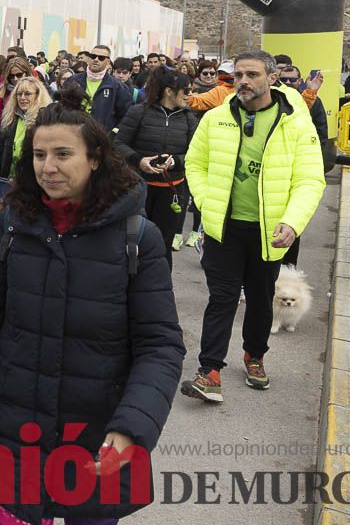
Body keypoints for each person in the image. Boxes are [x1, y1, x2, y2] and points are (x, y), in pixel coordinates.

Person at [0, 85, 185, 525]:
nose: (47, 168)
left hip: (93, 442)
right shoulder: (12, 227)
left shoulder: (138, 238)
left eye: (62, 155)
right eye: (38, 156)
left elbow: (160, 345)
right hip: (14, 434)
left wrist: (132, 425)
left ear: (94, 158)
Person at [180, 51, 325, 404]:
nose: (243, 81)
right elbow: (194, 163)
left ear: (272, 78)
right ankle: (209, 371)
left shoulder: (295, 120)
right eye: (239, 74)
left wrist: (292, 222)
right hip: (224, 227)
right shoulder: (215, 118)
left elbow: (310, 179)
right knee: (223, 298)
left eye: (253, 74)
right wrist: (204, 199)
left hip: (270, 231)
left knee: (260, 300)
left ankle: (254, 356)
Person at [115, 67, 198, 270]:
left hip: (173, 190)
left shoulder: (189, 118)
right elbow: (118, 144)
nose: (189, 95)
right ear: (169, 91)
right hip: (138, 188)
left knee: (163, 243)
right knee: (131, 241)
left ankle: (160, 288)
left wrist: (175, 162)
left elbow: (197, 154)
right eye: (185, 90)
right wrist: (139, 160)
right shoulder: (138, 112)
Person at [0, 77, 52, 180]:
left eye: (27, 94)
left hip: (32, 183)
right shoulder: (10, 120)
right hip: (6, 181)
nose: (22, 98)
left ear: (38, 95)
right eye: (19, 94)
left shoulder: (45, 122)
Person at [68, 45, 131, 132]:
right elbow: (63, 108)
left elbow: (126, 116)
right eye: (93, 56)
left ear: (108, 61)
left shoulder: (118, 87)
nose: (96, 59)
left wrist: (113, 134)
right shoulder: (73, 80)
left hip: (102, 138)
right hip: (74, 134)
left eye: (101, 58)